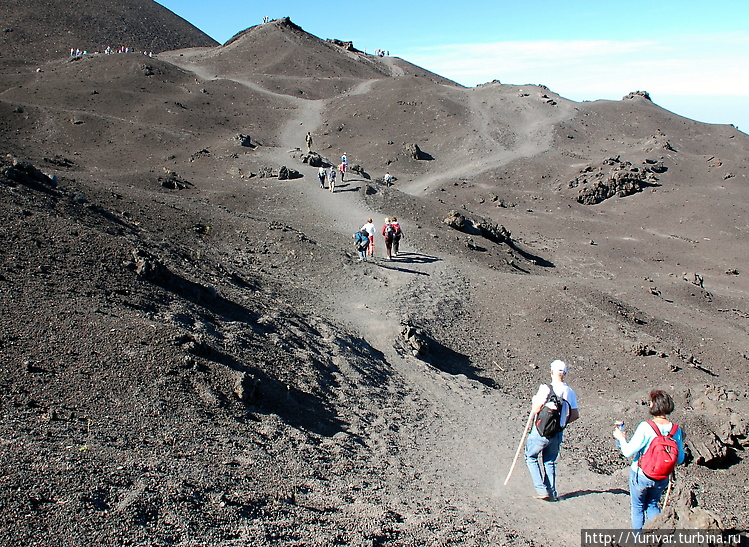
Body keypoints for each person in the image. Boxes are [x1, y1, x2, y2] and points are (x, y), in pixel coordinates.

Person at [613, 390, 685, 530]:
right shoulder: (676, 430)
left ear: (654, 405)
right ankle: (658, 539)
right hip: (662, 477)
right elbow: (680, 459)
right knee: (652, 505)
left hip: (641, 474)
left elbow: (628, 452)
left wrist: (621, 438)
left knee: (638, 507)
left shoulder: (646, 427)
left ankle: (638, 542)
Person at [525, 360, 579, 501]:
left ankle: (541, 490)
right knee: (549, 462)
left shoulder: (545, 388)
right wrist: (560, 425)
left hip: (541, 431)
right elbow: (575, 415)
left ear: (552, 372)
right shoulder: (569, 392)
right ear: (565, 373)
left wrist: (534, 401)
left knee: (531, 457)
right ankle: (552, 493)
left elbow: (536, 409)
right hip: (557, 432)